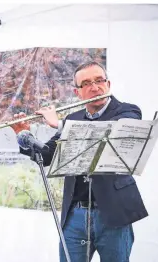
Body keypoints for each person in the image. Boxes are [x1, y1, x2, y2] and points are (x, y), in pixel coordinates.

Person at [11, 61, 147, 262]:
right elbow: (46, 155)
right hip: (75, 215)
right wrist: (24, 135)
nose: (95, 87)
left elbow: (109, 130)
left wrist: (59, 124)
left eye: (99, 80)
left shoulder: (128, 111)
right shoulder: (74, 117)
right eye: (86, 83)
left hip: (114, 213)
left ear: (108, 84)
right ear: (77, 92)